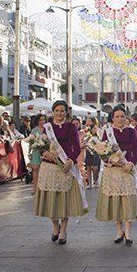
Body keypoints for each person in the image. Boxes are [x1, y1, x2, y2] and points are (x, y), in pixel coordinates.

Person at [34, 100, 87, 245]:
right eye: (56, 110)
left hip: (65, 167)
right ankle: (54, 225)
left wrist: (70, 160)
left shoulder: (71, 127)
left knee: (64, 200)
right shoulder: (48, 128)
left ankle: (63, 229)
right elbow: (43, 145)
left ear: (66, 113)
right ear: (52, 112)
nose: (59, 113)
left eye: (62, 111)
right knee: (51, 199)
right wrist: (45, 152)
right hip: (49, 167)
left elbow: (76, 147)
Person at [97, 105, 137, 245]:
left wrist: (131, 163)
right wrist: (108, 160)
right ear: (112, 118)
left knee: (128, 200)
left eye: (122, 116)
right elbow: (102, 150)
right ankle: (119, 231)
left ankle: (128, 231)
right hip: (113, 171)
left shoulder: (131, 131)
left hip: (127, 170)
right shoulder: (108, 132)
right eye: (117, 116)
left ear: (126, 118)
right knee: (116, 201)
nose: (120, 119)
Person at [27, 114, 46, 195]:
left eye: (44, 119)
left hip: (45, 151)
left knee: (44, 170)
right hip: (36, 151)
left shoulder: (47, 129)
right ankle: (35, 188)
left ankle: (43, 188)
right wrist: (29, 152)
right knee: (35, 170)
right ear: (37, 121)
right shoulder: (34, 130)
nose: (43, 121)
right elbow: (31, 142)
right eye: (41, 120)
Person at [84, 117, 102, 188]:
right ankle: (89, 183)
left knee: (95, 168)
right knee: (88, 167)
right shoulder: (87, 132)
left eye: (90, 121)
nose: (88, 122)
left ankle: (95, 179)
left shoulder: (99, 132)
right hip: (88, 151)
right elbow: (84, 141)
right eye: (88, 121)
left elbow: (101, 141)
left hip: (96, 152)